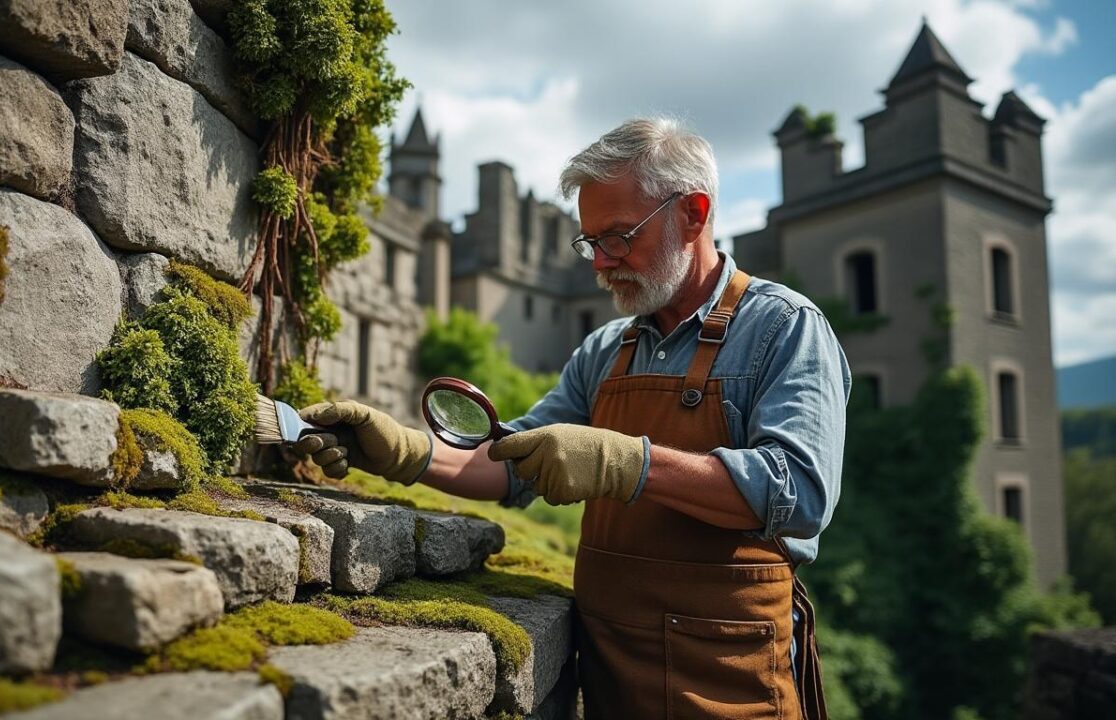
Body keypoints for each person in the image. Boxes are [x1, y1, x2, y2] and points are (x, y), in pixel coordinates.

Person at [296, 117, 849, 720]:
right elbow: (512, 461)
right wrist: (404, 452)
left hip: (730, 681)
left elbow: (798, 493)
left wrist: (624, 463)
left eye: (618, 236)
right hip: (610, 678)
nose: (600, 263)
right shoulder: (605, 349)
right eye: (589, 243)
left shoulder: (784, 328)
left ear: (692, 214)